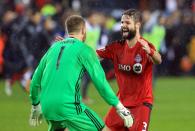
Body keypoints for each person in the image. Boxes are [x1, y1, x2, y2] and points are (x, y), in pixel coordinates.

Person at [29, 15, 133, 131]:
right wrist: (119, 106)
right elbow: (101, 82)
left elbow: (35, 80)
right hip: (69, 106)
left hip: (47, 106)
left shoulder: (53, 48)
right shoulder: (85, 50)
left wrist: (35, 105)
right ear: (84, 30)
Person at [96, 9, 162, 131]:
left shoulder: (145, 46)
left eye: (127, 23)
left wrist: (151, 52)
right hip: (121, 105)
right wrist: (72, 46)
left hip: (141, 105)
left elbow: (158, 59)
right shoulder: (116, 47)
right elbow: (93, 55)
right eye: (122, 23)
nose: (123, 26)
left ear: (137, 25)